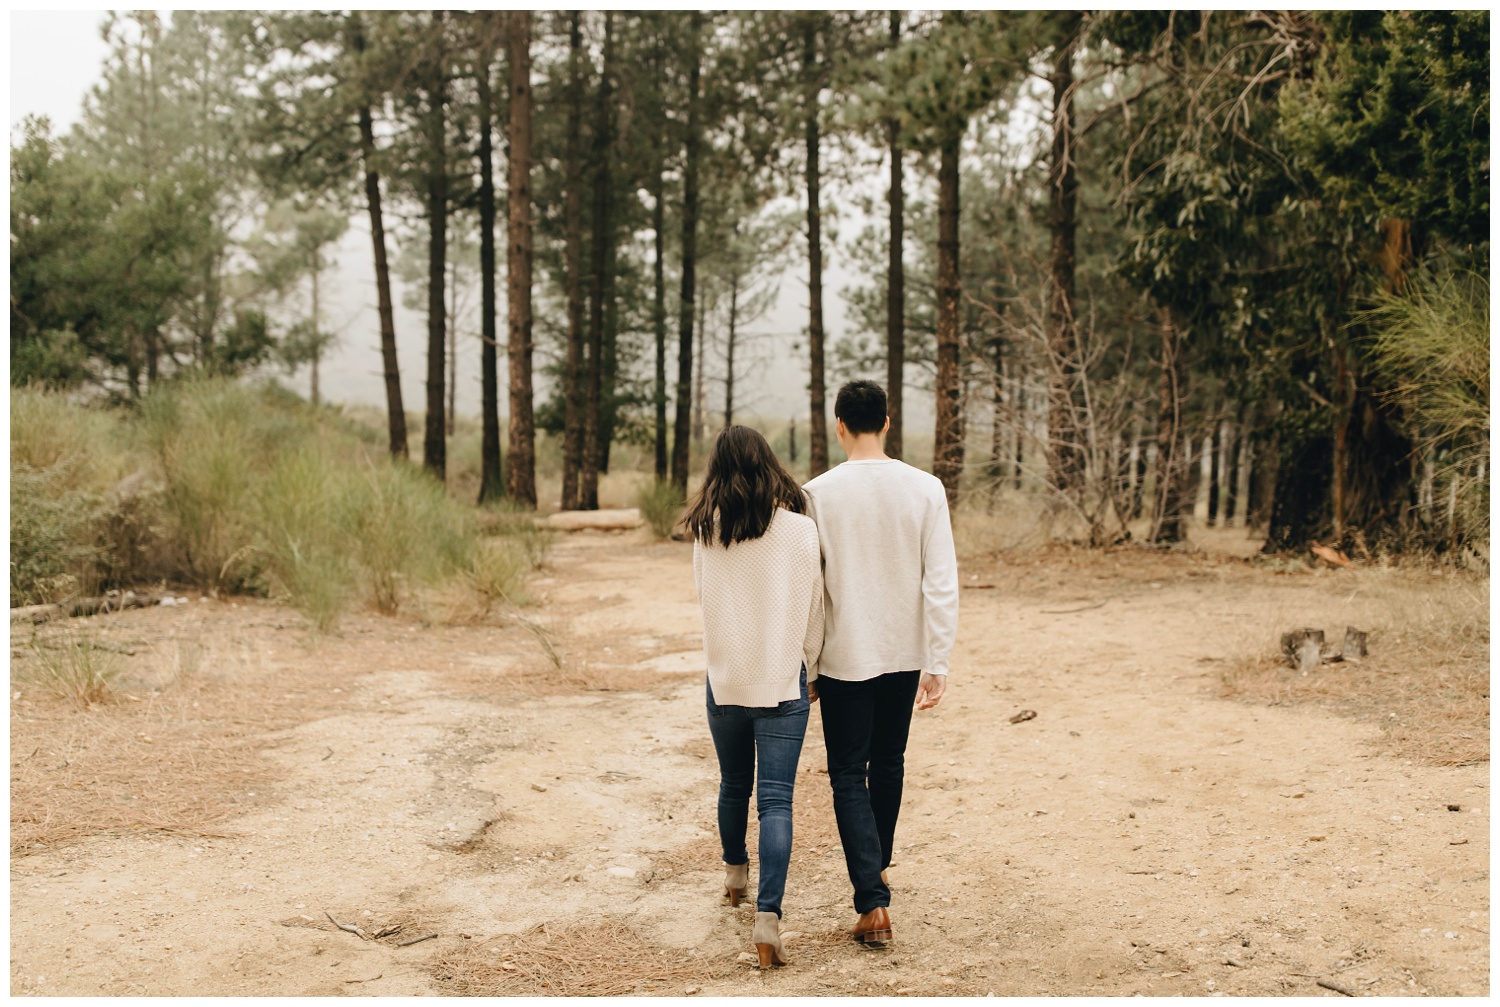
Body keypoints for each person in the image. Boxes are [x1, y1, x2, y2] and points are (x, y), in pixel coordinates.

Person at [803, 380, 959, 948]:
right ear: (887, 423)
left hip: (844, 653)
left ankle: (871, 898)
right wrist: (937, 659)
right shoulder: (925, 488)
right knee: (888, 761)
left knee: (848, 771)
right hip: (903, 651)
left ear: (838, 425)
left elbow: (810, 589)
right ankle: (877, 869)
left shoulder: (815, 493)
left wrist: (809, 662)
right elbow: (940, 581)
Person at [686, 425, 825, 969]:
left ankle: (734, 878)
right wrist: (810, 665)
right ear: (769, 465)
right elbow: (814, 608)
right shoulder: (798, 530)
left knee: (732, 785)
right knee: (776, 802)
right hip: (780, 679)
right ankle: (768, 919)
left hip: (725, 679)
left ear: (717, 471)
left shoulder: (706, 531)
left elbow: (705, 602)